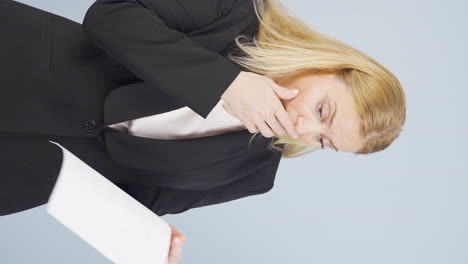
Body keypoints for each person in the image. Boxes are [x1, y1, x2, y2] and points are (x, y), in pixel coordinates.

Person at [1, 0, 406, 262]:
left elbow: (128, 195)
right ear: (327, 64)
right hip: (15, 62)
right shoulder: (238, 13)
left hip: (17, 176)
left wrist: (146, 237)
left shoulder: (252, 174)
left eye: (323, 140)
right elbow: (110, 14)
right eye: (323, 110)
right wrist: (225, 83)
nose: (303, 127)